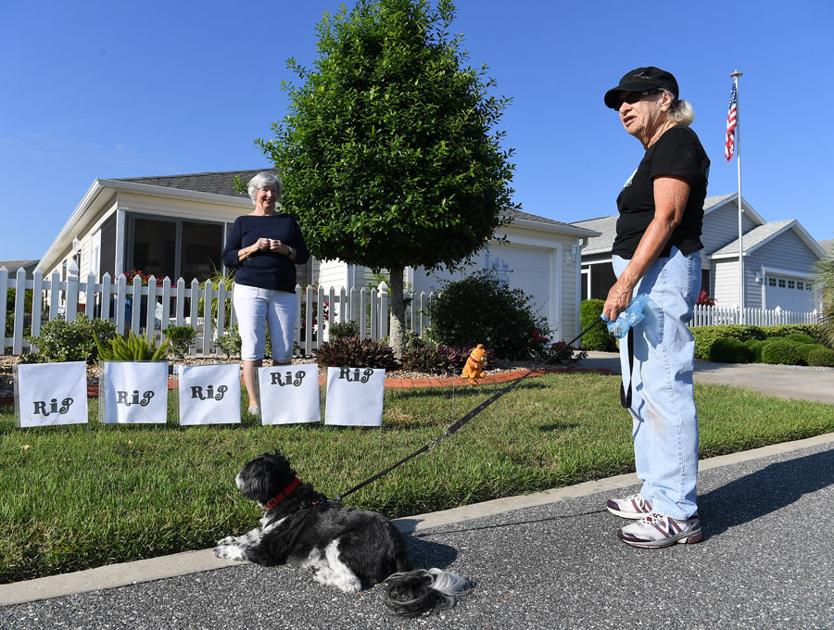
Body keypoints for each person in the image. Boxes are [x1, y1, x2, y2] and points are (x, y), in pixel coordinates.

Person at [601, 67, 709, 548]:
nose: (623, 106)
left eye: (633, 97)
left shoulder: (677, 141)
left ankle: (677, 511)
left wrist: (626, 280)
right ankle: (655, 491)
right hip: (646, 274)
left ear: (664, 99)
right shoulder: (654, 150)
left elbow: (667, 215)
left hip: (659, 272)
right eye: (618, 100)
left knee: (665, 383)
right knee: (642, 387)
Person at [222, 171, 309, 416]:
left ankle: (279, 403)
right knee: (253, 346)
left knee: (282, 349)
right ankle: (255, 403)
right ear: (255, 193)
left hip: (283, 292)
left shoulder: (288, 222)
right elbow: (229, 258)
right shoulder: (243, 222)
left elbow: (302, 255)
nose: (269, 195)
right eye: (264, 190)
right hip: (250, 289)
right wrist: (252, 247)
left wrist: (285, 249)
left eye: (273, 191)